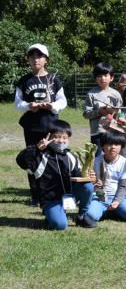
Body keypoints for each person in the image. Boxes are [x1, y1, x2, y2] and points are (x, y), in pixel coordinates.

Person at [16, 120, 96, 229]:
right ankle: (51, 215)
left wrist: (87, 175)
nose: (61, 141)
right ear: (48, 137)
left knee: (87, 186)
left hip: (69, 196)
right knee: (60, 225)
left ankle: (81, 216)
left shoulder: (71, 156)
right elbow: (21, 161)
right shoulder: (40, 157)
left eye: (64, 138)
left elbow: (78, 175)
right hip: (51, 200)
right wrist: (36, 148)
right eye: (57, 137)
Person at [15, 43, 67, 205]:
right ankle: (36, 195)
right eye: (32, 56)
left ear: (46, 59)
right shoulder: (24, 81)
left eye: (39, 56)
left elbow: (62, 101)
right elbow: (17, 103)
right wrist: (29, 106)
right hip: (31, 126)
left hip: (51, 126)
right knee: (33, 159)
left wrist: (51, 106)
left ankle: (53, 192)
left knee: (53, 158)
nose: (35, 59)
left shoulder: (54, 79)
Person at [85, 130, 126, 222]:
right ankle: (105, 210)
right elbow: (91, 182)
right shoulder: (95, 161)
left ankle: (111, 210)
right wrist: (94, 183)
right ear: (103, 145)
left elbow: (123, 185)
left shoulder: (124, 162)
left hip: (117, 196)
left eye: (117, 144)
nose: (113, 147)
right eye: (109, 144)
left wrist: (117, 201)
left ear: (121, 146)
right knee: (90, 216)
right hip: (99, 196)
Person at [83, 61, 123, 157]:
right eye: (99, 76)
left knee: (113, 157)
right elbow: (86, 114)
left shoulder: (116, 94)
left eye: (105, 75)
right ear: (96, 78)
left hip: (112, 132)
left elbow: (121, 113)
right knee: (98, 158)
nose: (102, 78)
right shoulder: (91, 94)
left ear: (112, 77)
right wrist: (99, 112)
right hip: (97, 132)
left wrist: (117, 114)